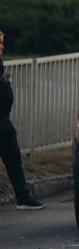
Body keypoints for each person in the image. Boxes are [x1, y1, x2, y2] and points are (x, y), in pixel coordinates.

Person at [0, 30, 44, 210]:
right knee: (12, 158)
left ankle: (23, 196)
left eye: (2, 43)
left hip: (3, 120)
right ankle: (23, 196)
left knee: (13, 158)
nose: (2, 46)